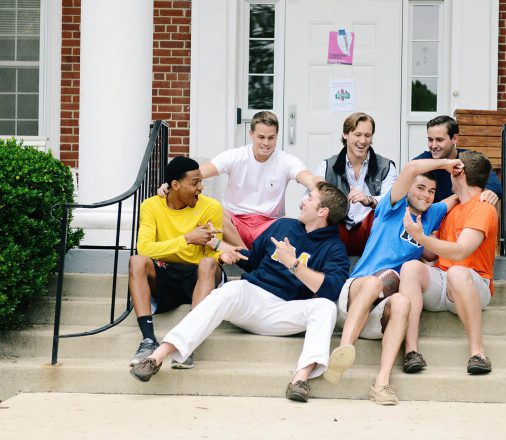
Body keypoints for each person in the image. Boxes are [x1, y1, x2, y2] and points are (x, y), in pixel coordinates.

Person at [129, 182, 350, 403]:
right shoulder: (284, 226)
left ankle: (301, 379)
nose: (302, 201)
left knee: (326, 307)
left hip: (285, 311)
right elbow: (252, 259)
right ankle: (156, 358)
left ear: (322, 212)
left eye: (309, 198)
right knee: (229, 290)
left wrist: (294, 265)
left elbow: (331, 288)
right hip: (252, 298)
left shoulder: (334, 248)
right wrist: (217, 244)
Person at [323, 158, 462, 405]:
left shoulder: (433, 214)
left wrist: (487, 195)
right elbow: (410, 169)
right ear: (407, 188)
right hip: (355, 295)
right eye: (420, 188)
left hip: (379, 313)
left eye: (431, 191)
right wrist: (447, 163)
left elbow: (458, 197)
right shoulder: (392, 207)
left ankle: (382, 384)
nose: (426, 195)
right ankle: (344, 350)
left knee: (401, 302)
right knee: (378, 282)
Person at [128, 157, 243, 369]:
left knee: (208, 263)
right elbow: (144, 248)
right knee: (137, 261)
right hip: (166, 272)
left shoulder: (211, 207)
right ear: (175, 185)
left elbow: (210, 251)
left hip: (198, 275)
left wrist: (221, 256)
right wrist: (187, 239)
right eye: (195, 182)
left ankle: (188, 341)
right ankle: (148, 340)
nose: (200, 188)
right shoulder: (151, 206)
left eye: (201, 182)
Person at [160, 111, 320, 248]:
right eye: (261, 137)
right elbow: (201, 171)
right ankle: (246, 255)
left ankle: (250, 257)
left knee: (290, 224)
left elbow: (307, 178)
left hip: (267, 225)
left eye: (271, 138)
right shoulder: (236, 156)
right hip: (233, 224)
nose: (266, 143)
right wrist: (173, 182)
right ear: (251, 134)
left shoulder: (286, 160)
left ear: (277, 136)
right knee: (213, 209)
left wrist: (321, 186)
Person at [401, 150, 498, 376]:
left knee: (457, 272)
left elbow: (461, 251)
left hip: (474, 284)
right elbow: (434, 254)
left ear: (459, 172)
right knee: (411, 268)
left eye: (452, 169)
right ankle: (411, 351)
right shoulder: (453, 208)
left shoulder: (483, 208)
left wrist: (422, 237)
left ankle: (478, 353)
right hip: (443, 282)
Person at [315, 112, 397, 255]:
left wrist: (368, 200)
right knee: (318, 214)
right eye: (357, 134)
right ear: (345, 135)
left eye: (367, 135)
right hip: (338, 228)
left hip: (370, 231)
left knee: (383, 215)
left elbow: (391, 199)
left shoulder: (386, 166)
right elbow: (309, 198)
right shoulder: (327, 166)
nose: (363, 140)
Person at [414, 115, 502, 204]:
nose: (433, 145)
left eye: (439, 140)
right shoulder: (424, 159)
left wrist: (488, 192)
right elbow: (410, 169)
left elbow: (495, 186)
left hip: (463, 215)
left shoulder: (468, 159)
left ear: (455, 139)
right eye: (430, 140)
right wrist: (445, 164)